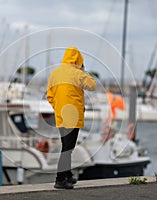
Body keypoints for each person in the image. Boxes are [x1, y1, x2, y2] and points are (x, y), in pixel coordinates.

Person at [47, 46, 96, 189]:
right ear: (77, 60)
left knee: (65, 145)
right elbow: (92, 85)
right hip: (73, 115)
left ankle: (67, 175)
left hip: (60, 115)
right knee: (68, 148)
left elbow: (50, 96)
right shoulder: (77, 74)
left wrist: (57, 108)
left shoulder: (55, 74)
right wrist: (83, 70)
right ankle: (60, 179)